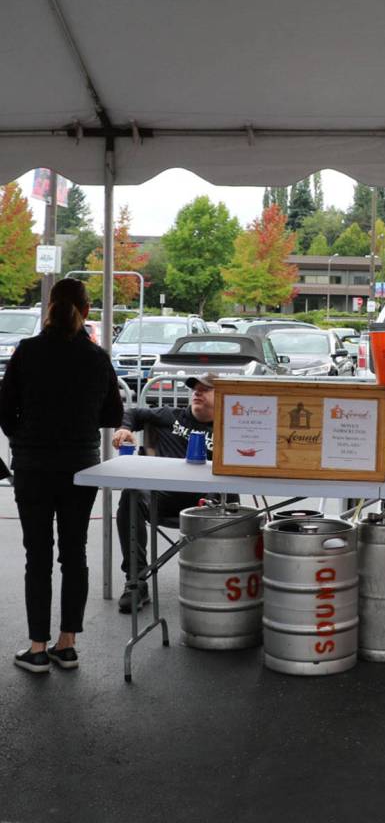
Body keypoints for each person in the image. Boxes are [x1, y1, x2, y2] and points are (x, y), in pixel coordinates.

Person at [0, 278, 123, 673]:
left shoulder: (27, 352)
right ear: (86, 311)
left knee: (37, 555)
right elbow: (113, 416)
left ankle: (36, 647)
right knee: (75, 553)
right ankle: (66, 644)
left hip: (32, 466)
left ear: (49, 308)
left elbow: (4, 410)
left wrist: (22, 436)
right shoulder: (96, 357)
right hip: (79, 466)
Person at [112, 372, 217, 612]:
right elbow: (133, 413)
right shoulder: (173, 415)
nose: (197, 393)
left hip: (210, 502)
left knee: (231, 503)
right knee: (132, 494)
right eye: (195, 389)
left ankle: (226, 579)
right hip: (165, 498)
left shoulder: (232, 427)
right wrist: (124, 429)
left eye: (206, 389)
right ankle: (135, 582)